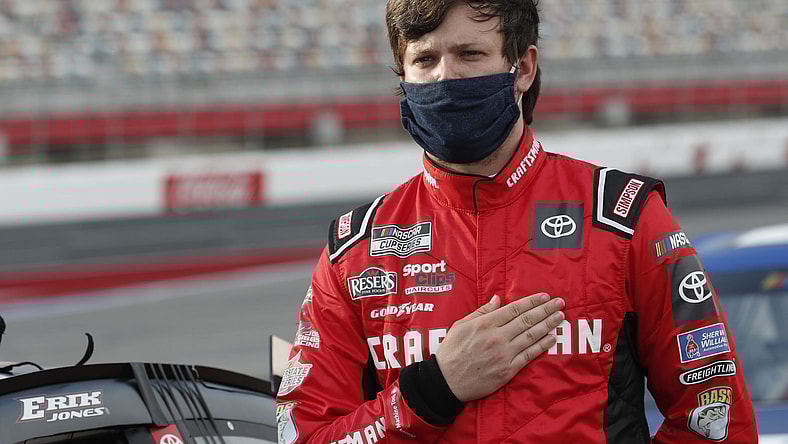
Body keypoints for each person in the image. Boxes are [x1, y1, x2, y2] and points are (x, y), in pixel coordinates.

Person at [275, 1, 758, 442]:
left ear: (522, 68)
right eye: (425, 60)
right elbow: (305, 435)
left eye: (469, 54)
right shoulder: (354, 250)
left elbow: (717, 424)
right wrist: (431, 391)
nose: (447, 77)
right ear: (402, 74)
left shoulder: (625, 218)